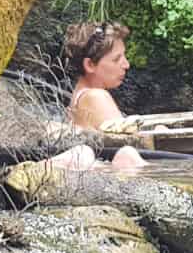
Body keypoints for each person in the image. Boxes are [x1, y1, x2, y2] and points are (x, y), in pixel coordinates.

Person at [60, 21, 146, 168]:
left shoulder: (80, 95)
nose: (126, 65)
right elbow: (131, 146)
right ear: (90, 65)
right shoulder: (96, 97)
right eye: (117, 59)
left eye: (124, 57)